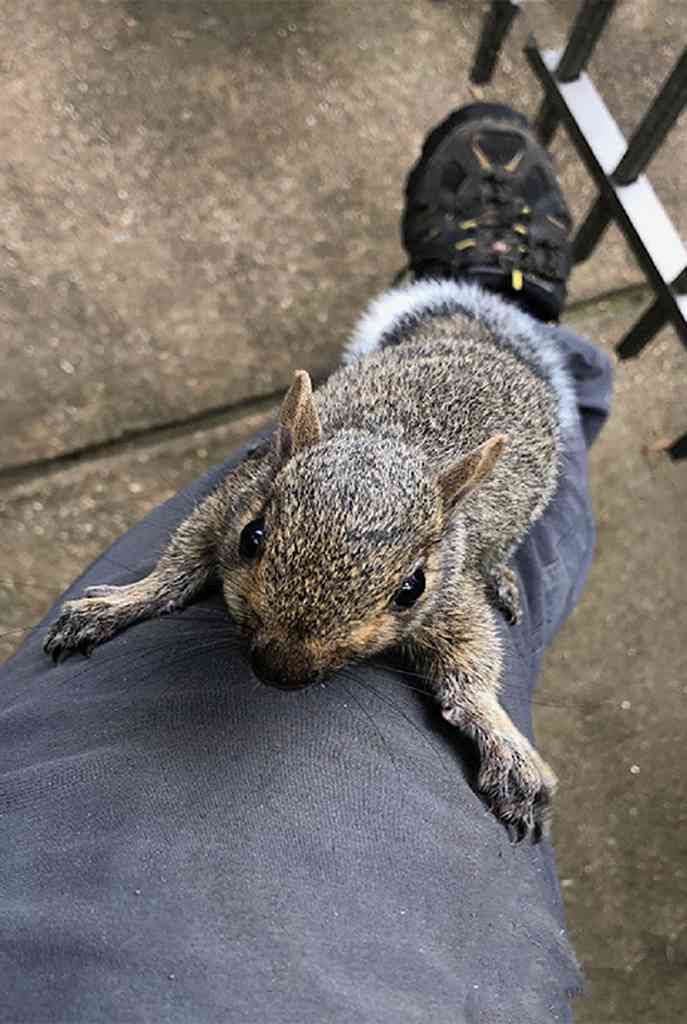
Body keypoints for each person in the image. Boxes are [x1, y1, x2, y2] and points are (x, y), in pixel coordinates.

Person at [0, 104, 611, 1023]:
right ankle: (509, 301)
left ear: (430, 551)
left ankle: (485, 301)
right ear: (291, 454)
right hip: (346, 446)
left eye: (400, 593)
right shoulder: (264, 489)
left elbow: (457, 643)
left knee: (526, 531)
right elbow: (215, 527)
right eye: (255, 550)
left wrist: (483, 712)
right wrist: (151, 592)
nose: (280, 652)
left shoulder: (443, 561)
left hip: (464, 477)